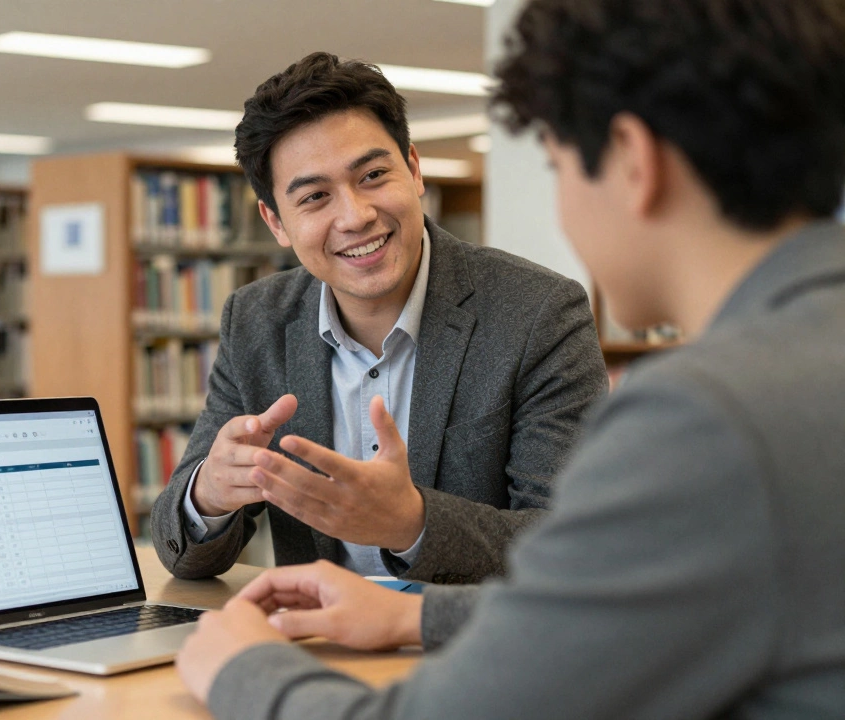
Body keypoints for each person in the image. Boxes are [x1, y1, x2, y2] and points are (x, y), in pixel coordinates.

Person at [175, 0, 845, 717]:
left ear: (631, 160)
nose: (355, 215)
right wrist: (413, 617)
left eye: (556, 164)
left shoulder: (706, 416)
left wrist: (242, 668)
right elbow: (615, 605)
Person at [150, 52, 608, 598]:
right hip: (319, 647)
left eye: (372, 176)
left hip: (473, 653)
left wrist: (411, 523)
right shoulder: (256, 321)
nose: (355, 215)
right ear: (276, 221)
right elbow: (184, 551)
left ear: (413, 169)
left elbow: (572, 542)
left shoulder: (538, 313)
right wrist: (208, 495)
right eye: (315, 197)